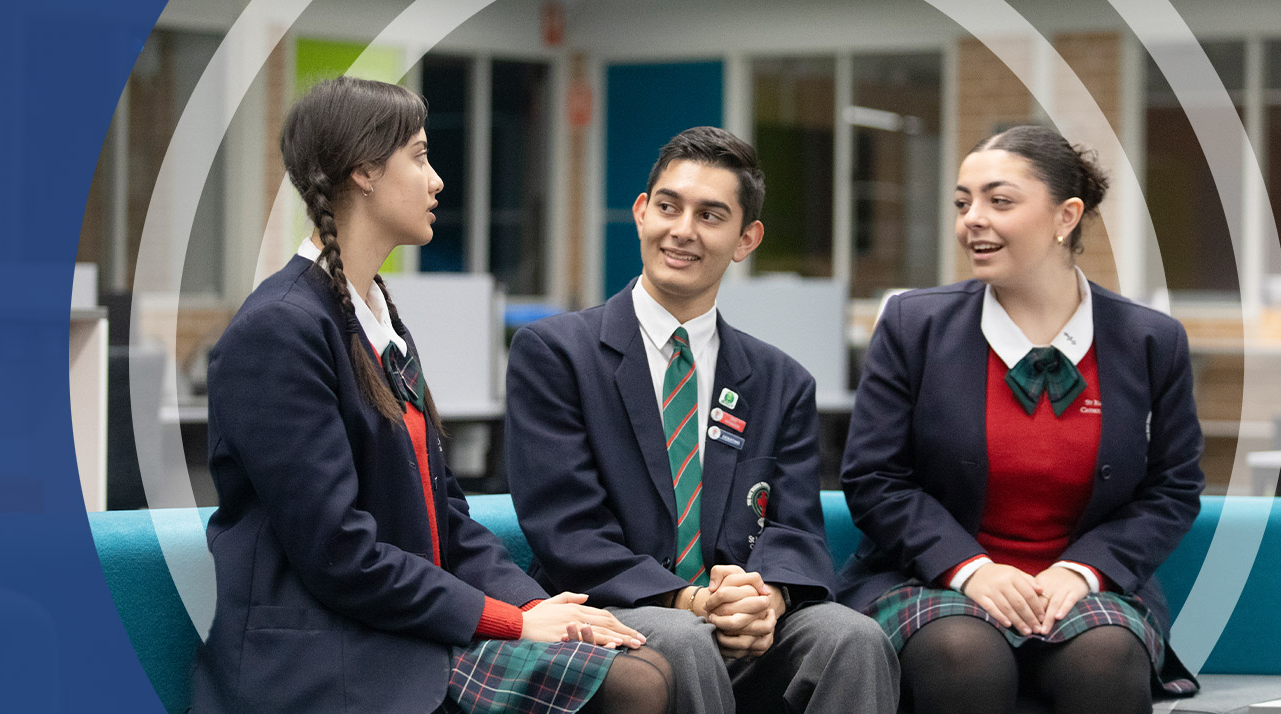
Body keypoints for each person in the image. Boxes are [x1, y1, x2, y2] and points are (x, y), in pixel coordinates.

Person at [191, 76, 672, 714]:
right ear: (363, 171)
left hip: (397, 632)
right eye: (419, 157)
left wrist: (530, 604)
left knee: (645, 666)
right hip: (327, 655)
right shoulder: (280, 328)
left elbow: (444, 514)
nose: (437, 179)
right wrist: (507, 621)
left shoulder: (375, 313)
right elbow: (339, 553)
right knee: (633, 684)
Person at [505, 126, 897, 714]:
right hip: (616, 614)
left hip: (739, 623)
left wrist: (769, 598)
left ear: (746, 239)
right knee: (686, 639)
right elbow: (568, 529)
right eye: (668, 207)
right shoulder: (556, 354)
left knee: (852, 638)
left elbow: (794, 529)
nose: (682, 230)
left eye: (711, 215)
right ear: (641, 214)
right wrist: (686, 601)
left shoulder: (781, 381)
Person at [835, 124, 1204, 714]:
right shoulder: (912, 326)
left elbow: (1174, 489)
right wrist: (970, 569)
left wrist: (1085, 572)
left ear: (1066, 217)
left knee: (1106, 658)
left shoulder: (1149, 339)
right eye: (963, 203)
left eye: (998, 201)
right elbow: (874, 479)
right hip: (936, 579)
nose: (972, 219)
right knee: (964, 655)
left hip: (1083, 588)